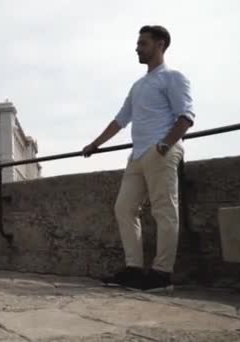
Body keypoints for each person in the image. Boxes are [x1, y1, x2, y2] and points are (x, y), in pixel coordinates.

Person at [82, 25, 195, 291]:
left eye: (143, 43)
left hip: (161, 151)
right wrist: (94, 145)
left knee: (164, 210)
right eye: (138, 43)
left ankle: (161, 274)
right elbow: (120, 120)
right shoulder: (138, 85)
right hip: (138, 155)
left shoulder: (173, 78)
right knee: (124, 208)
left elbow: (186, 117)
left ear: (160, 45)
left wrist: (165, 145)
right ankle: (133, 269)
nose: (137, 48)